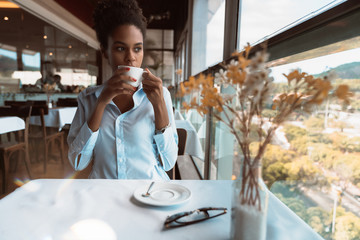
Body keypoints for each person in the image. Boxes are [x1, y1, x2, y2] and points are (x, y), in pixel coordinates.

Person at [67, 0, 178, 179]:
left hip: (149, 193)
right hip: (104, 195)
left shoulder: (160, 94)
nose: (130, 58)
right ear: (105, 52)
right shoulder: (88, 98)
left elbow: (169, 162)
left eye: (137, 49)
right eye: (120, 48)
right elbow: (78, 162)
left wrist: (158, 106)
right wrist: (102, 102)